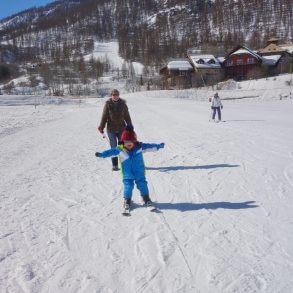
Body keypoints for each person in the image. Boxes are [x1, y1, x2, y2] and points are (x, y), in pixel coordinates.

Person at [95, 126, 165, 211]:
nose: (128, 143)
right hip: (127, 173)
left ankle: (146, 198)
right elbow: (110, 152)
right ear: (122, 142)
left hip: (139, 172)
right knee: (128, 186)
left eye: (131, 141)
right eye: (126, 141)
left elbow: (149, 146)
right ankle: (127, 200)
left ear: (134, 141)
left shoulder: (139, 147)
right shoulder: (120, 149)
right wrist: (102, 154)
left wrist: (158, 146)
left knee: (142, 184)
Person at [98, 89, 132, 171]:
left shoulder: (123, 104)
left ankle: (125, 164)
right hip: (111, 129)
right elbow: (104, 117)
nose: (115, 96)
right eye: (113, 95)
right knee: (113, 147)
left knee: (121, 147)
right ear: (111, 95)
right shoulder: (108, 104)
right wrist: (101, 126)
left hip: (121, 129)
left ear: (118, 95)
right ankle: (115, 165)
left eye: (116, 94)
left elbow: (127, 116)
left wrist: (130, 125)